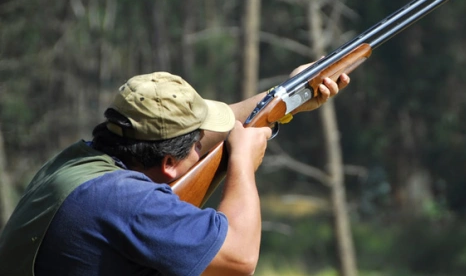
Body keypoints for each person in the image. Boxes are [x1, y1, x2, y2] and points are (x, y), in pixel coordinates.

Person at [0, 66, 350, 276]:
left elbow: (221, 120)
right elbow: (240, 258)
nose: (205, 147)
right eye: (198, 146)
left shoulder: (76, 164)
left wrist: (290, 95)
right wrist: (243, 163)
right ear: (169, 164)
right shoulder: (127, 202)